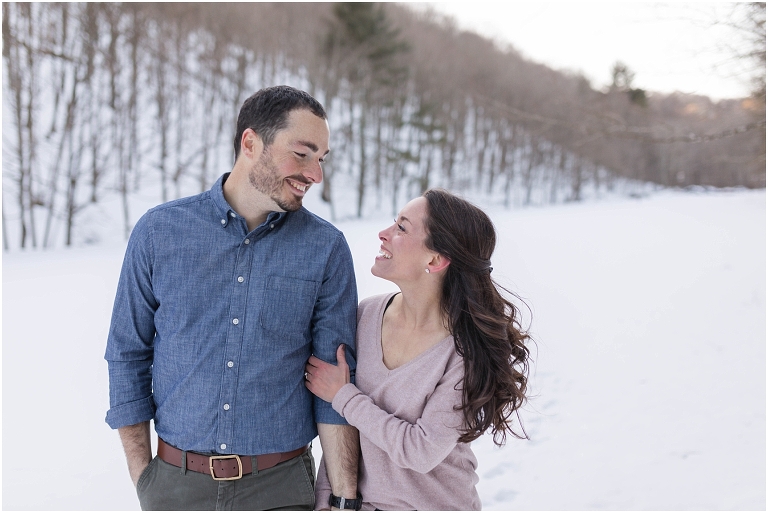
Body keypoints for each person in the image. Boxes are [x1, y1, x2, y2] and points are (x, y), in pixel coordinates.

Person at [105, 85, 361, 510]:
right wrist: (145, 479)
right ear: (250, 143)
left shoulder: (326, 249)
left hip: (281, 491)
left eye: (321, 159)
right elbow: (127, 354)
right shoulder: (159, 232)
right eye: (302, 153)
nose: (315, 174)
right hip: (175, 488)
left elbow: (333, 384)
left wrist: (344, 499)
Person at [305, 188, 531, 511]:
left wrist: (343, 396)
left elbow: (420, 450)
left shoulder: (463, 354)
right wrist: (327, 502)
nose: (383, 234)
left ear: (435, 260)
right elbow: (341, 428)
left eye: (402, 228)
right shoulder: (365, 317)